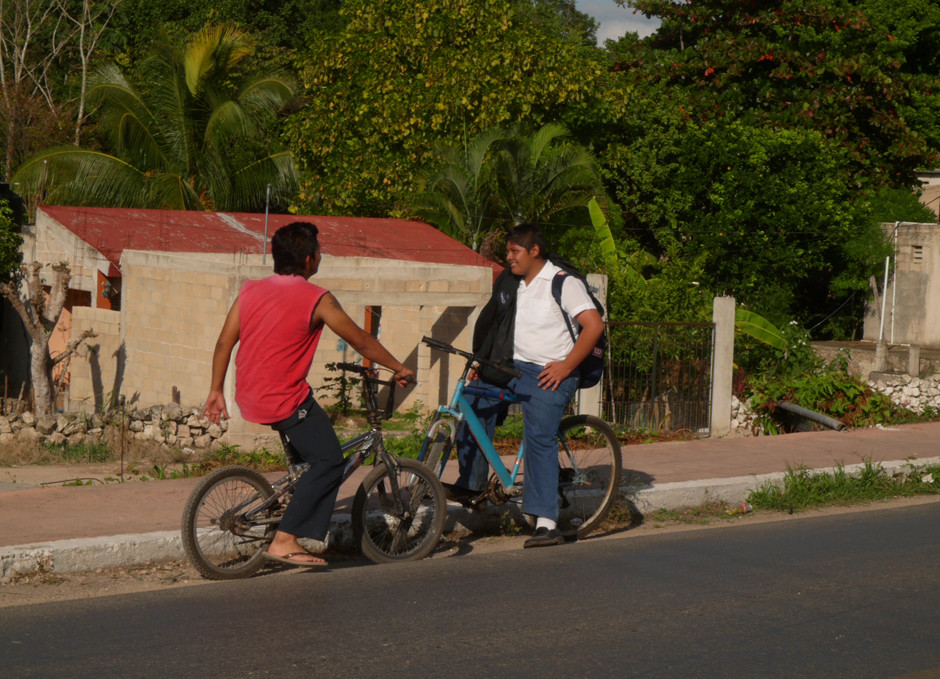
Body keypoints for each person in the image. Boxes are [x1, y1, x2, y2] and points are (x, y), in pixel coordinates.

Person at [202, 221, 415, 567]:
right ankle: (285, 540)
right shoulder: (317, 298)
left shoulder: (250, 290)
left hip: (249, 395)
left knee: (309, 459)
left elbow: (225, 341)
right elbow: (360, 340)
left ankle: (294, 505)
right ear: (308, 261)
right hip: (284, 399)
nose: (320, 256)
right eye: (318, 251)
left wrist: (215, 391)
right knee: (329, 460)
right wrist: (398, 367)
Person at [448, 223, 605, 548]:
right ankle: (473, 486)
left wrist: (565, 366)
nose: (508, 257)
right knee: (474, 402)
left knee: (539, 435)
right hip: (512, 368)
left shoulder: (563, 282)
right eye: (508, 251)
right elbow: (496, 326)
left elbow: (594, 326)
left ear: (535, 252)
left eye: (514, 251)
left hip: (553, 371)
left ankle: (546, 522)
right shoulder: (511, 282)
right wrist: (483, 364)